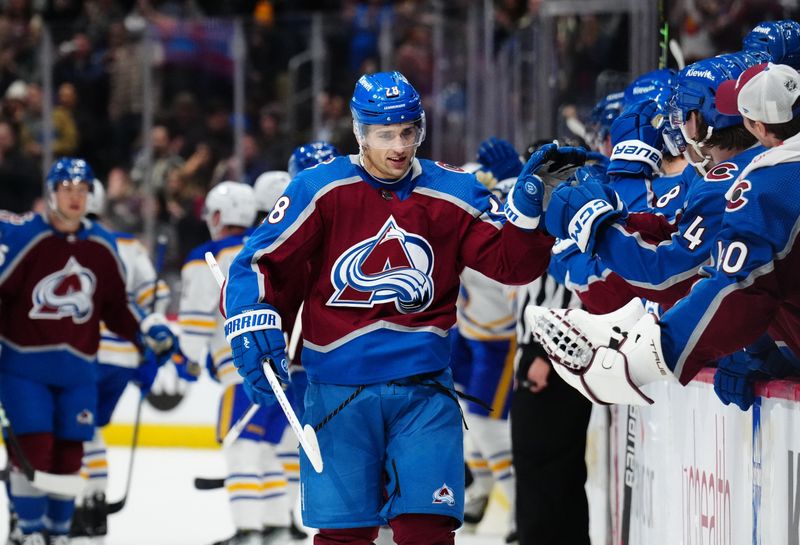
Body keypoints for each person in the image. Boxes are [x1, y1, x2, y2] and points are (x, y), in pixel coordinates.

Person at [222, 71, 564, 544]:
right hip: (338, 391)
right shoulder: (317, 189)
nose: (399, 146)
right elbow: (258, 262)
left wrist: (530, 208)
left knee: (427, 531)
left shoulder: (454, 191)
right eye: (385, 135)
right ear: (361, 132)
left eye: (408, 132)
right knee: (345, 535)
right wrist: (253, 318)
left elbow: (512, 265)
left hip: (423, 392)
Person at [529, 62, 800, 405]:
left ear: (757, 125)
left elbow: (686, 276)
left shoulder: (761, 181)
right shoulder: (750, 172)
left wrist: (653, 358)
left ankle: (641, 343)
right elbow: (690, 242)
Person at [0, 158, 176, 545]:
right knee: (34, 447)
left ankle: (58, 533)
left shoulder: (100, 244)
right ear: (51, 193)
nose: (76, 197)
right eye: (67, 189)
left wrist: (147, 330)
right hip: (23, 367)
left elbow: (116, 305)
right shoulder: (23, 237)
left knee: (70, 453)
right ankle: (28, 532)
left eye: (82, 190)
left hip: (79, 369)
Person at [177, 181, 291, 545]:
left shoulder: (206, 256)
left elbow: (195, 321)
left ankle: (248, 529)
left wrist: (186, 362)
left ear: (215, 216)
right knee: (266, 449)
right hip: (286, 367)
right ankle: (278, 524)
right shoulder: (268, 246)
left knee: (241, 448)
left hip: (242, 372)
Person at [70, 180, 173, 540]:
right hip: (124, 357)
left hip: (83, 355)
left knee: (77, 431)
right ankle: (94, 502)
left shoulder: (66, 243)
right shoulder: (128, 244)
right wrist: (147, 346)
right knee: (92, 427)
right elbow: (156, 297)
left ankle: (85, 503)